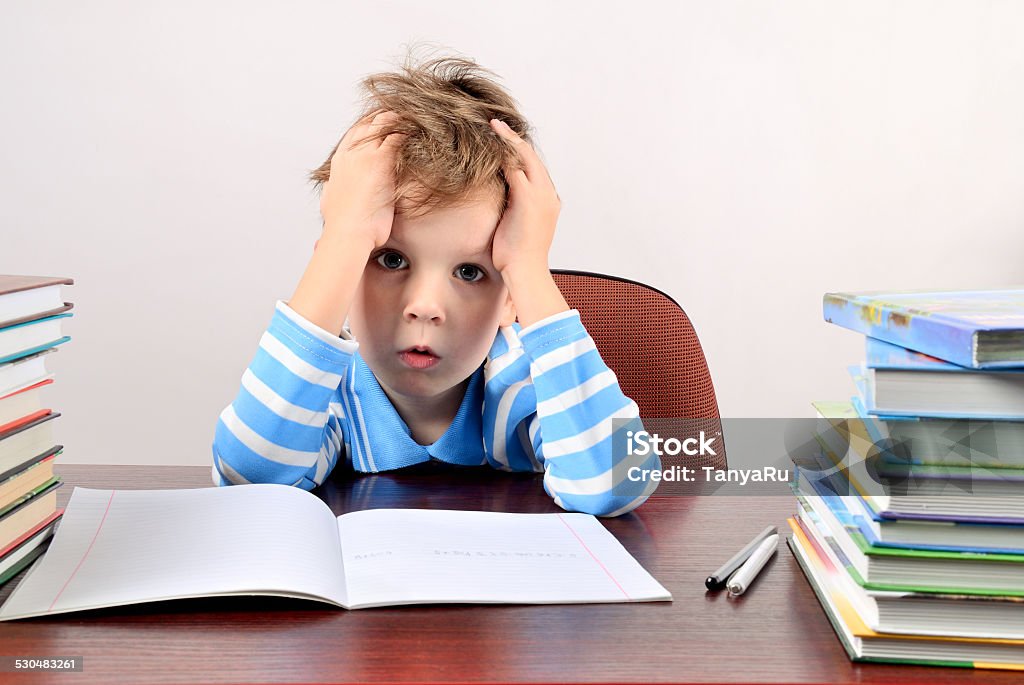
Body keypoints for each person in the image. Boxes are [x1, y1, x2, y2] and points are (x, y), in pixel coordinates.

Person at [212, 53, 659, 516]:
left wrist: (527, 265)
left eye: (469, 272)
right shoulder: (325, 393)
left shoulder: (521, 383)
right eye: (390, 259)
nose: (424, 307)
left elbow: (617, 483)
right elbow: (252, 480)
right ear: (342, 270)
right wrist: (343, 238)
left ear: (510, 297)